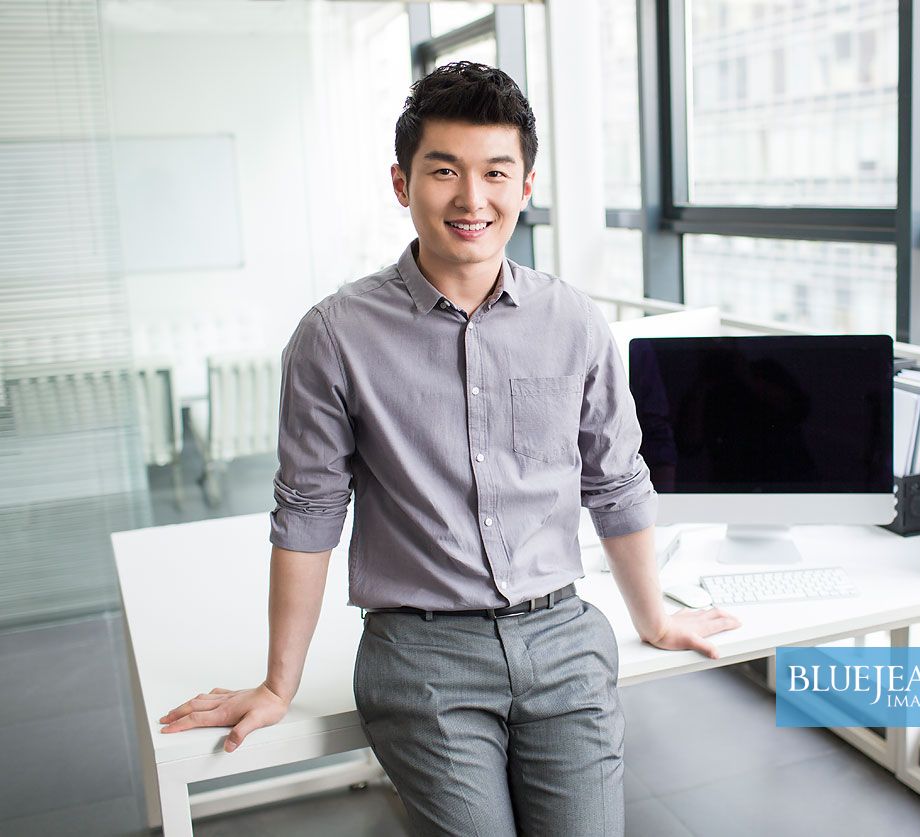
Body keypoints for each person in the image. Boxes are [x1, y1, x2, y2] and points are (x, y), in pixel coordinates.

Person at [158, 61, 740, 836]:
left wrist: (656, 618)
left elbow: (616, 482)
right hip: (421, 656)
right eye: (444, 171)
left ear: (526, 186)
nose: (472, 199)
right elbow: (307, 511)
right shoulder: (334, 335)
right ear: (402, 183)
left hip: (562, 637)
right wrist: (277, 682)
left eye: (496, 172)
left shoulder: (572, 320)